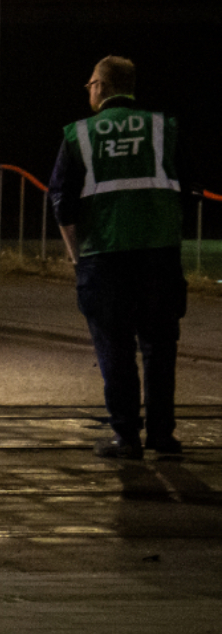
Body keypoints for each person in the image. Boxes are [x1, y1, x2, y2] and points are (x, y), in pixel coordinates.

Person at [51, 57, 188, 460]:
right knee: (160, 347)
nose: (88, 90)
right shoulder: (164, 127)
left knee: (114, 347)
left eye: (90, 83)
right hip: (159, 254)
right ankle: (162, 435)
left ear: (101, 86)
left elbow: (61, 202)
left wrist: (77, 257)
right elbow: (189, 186)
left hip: (104, 257)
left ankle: (125, 437)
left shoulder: (79, 133)